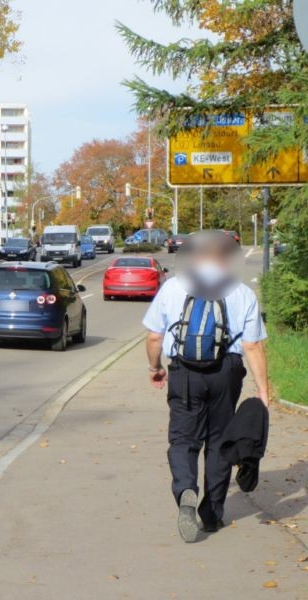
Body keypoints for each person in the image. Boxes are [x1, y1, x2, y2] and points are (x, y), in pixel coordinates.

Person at [142, 230, 270, 543]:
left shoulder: (174, 287)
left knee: (184, 438)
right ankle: (212, 513)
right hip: (227, 372)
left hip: (184, 373)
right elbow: (253, 345)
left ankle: (186, 488)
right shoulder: (241, 292)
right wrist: (263, 390)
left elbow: (154, 337)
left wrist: (155, 368)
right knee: (219, 441)